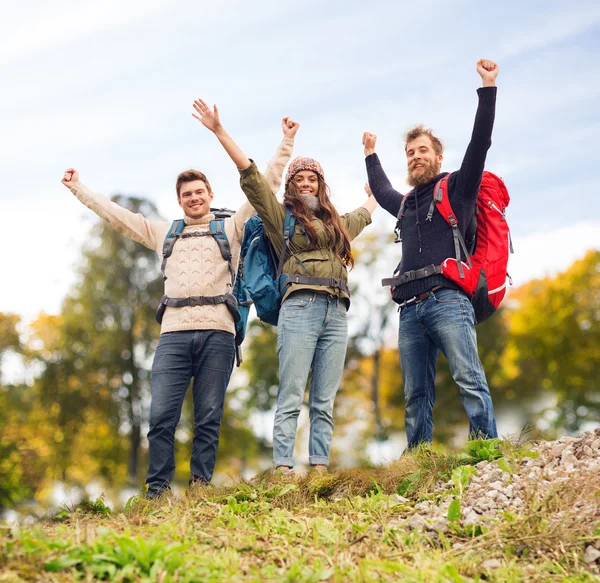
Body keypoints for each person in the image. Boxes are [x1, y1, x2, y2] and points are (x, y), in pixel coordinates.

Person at [61, 119, 297, 496]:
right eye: (187, 194)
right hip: (172, 335)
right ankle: (157, 492)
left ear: (209, 194)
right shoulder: (163, 233)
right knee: (161, 417)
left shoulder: (232, 227)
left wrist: (286, 141)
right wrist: (78, 189)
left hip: (219, 333)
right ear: (179, 200)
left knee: (208, 417)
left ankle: (200, 488)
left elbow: (263, 184)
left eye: (199, 192)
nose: (194, 198)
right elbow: (116, 217)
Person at [193, 98, 377, 472]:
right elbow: (251, 176)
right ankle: (283, 470)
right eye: (299, 178)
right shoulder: (280, 219)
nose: (306, 182)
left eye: (312, 178)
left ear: (321, 186)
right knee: (292, 393)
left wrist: (372, 164)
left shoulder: (339, 225)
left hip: (337, 311)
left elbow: (368, 209)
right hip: (300, 307)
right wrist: (218, 130)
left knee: (325, 399)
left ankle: (320, 471)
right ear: (291, 186)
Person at [362, 59, 500, 448]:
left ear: (438, 157)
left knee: (468, 378)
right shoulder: (405, 205)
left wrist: (487, 88)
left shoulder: (457, 188)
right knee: (414, 396)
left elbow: (480, 143)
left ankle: (486, 450)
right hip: (409, 310)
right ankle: (419, 459)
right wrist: (371, 154)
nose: (415, 157)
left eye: (422, 151)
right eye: (410, 152)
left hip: (448, 301)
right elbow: (383, 188)